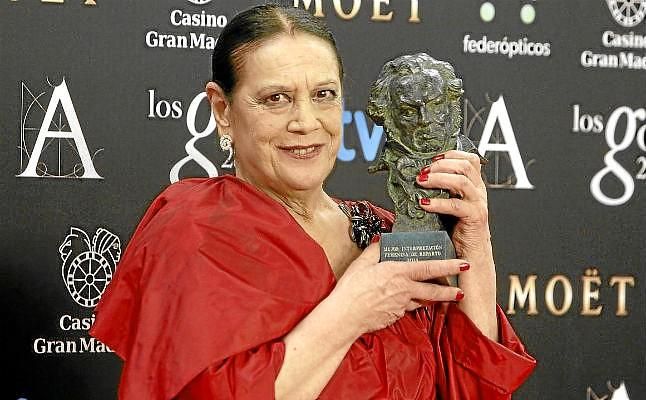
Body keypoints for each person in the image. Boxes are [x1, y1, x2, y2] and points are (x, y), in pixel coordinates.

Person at [90, 4, 536, 400]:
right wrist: (354, 308)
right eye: (276, 99)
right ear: (223, 110)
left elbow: (473, 388)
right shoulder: (195, 228)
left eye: (323, 95)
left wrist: (474, 244)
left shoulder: (386, 231)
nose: (305, 122)